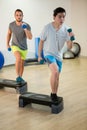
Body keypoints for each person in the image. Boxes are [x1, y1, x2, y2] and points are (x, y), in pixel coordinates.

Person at [38, 7, 75, 102]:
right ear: (54, 17)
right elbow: (41, 42)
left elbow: (70, 47)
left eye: (63, 17)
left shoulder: (66, 29)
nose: (62, 19)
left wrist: (71, 39)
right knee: (55, 71)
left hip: (59, 56)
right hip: (48, 54)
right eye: (59, 17)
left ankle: (54, 93)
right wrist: (39, 55)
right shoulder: (47, 28)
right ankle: (53, 94)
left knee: (57, 76)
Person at [6, 9, 32, 82]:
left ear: (22, 16)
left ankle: (20, 77)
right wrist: (7, 44)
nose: (19, 17)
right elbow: (9, 34)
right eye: (17, 15)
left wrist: (25, 29)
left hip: (24, 48)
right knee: (18, 58)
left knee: (22, 64)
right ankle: (17, 76)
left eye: (20, 15)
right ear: (15, 16)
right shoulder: (11, 25)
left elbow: (30, 37)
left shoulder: (27, 25)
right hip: (15, 45)